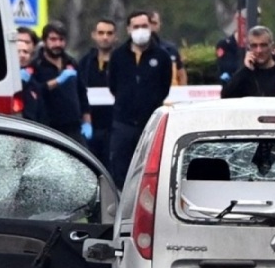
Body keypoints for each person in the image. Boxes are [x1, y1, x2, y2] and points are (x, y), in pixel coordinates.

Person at [108, 11, 173, 188]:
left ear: (151, 27)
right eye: (136, 27)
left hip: (151, 122)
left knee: (152, 168)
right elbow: (113, 86)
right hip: (123, 123)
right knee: (121, 168)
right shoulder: (118, 56)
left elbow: (164, 87)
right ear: (129, 29)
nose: (141, 30)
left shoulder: (162, 56)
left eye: (144, 26)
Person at [28, 22, 92, 145]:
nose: (57, 44)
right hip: (49, 128)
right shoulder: (36, 66)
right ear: (45, 41)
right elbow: (35, 92)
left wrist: (87, 122)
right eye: (53, 39)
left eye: (61, 40)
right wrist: (57, 81)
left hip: (74, 128)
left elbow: (82, 95)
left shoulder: (71, 63)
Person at [78, 18, 118, 168]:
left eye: (109, 33)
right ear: (94, 35)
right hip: (92, 123)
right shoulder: (85, 62)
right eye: (101, 33)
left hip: (115, 124)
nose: (105, 37)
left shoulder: (121, 60)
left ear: (115, 36)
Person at [150, 10, 188, 86]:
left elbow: (182, 75)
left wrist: (182, 94)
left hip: (172, 96)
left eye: (155, 23)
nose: (152, 27)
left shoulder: (170, 48)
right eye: (149, 23)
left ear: (160, 24)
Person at [17, 39, 46, 122]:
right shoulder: (5, 78)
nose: (22, 55)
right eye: (18, 52)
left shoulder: (33, 79)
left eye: (25, 52)